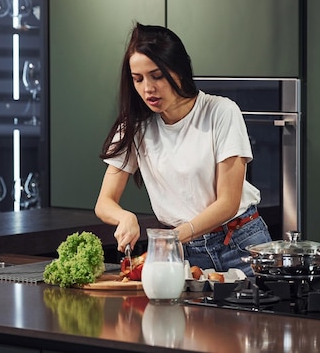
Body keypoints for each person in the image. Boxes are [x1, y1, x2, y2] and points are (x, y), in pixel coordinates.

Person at [94, 22, 272, 276]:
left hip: (240, 242)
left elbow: (228, 203)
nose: (148, 88)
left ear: (178, 70)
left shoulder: (221, 112)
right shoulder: (135, 126)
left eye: (157, 76)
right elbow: (104, 203)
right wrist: (125, 218)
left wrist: (170, 239)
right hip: (184, 252)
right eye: (138, 79)